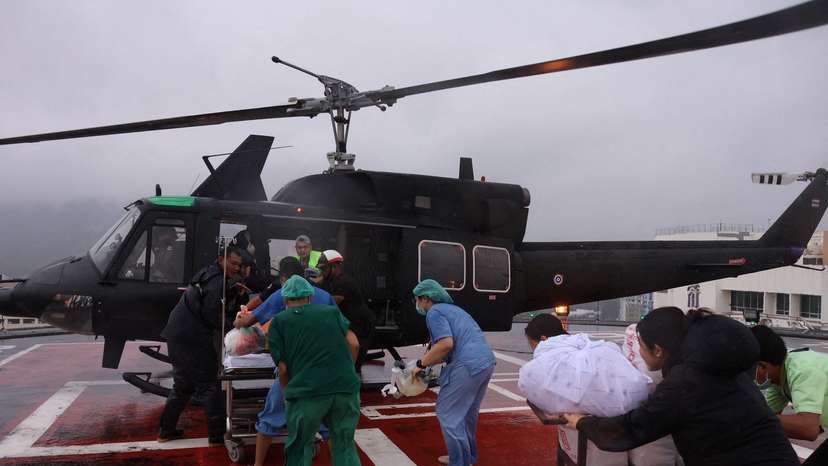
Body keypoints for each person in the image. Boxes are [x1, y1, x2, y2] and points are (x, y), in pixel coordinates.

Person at [562, 307, 799, 466]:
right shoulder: (720, 364)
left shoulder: (686, 382)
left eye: (642, 347)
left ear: (658, 350)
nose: (640, 354)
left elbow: (631, 430)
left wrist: (581, 421)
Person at [234, 256, 336, 466]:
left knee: (271, 417)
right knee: (327, 423)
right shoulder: (325, 297)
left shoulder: (282, 297)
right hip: (323, 372)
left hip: (293, 373)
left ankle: (258, 464)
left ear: (282, 279)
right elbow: (347, 339)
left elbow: (251, 323)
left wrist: (239, 318)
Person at [268, 276, 361, 466]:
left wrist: (287, 395)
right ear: (310, 297)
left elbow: (283, 369)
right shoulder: (331, 313)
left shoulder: (279, 321)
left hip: (307, 393)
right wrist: (346, 370)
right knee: (344, 445)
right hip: (345, 389)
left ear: (285, 301)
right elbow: (354, 343)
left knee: (300, 447)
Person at [157, 247, 243, 444]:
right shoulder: (216, 282)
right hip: (192, 337)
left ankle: (165, 431)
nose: (236, 268)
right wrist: (235, 325)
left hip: (177, 333)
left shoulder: (208, 272)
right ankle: (217, 436)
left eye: (239, 265)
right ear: (221, 259)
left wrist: (230, 293)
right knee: (210, 385)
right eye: (233, 263)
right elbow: (212, 316)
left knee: (183, 385)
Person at [410, 279, 496, 466]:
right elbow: (444, 350)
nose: (417, 304)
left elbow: (446, 344)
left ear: (425, 298)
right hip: (485, 362)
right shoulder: (455, 310)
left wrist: (420, 365)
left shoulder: (434, 313)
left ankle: (459, 461)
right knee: (467, 414)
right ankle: (468, 458)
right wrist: (427, 361)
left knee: (448, 413)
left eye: (417, 300)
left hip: (467, 364)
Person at [751, 325, 828, 465]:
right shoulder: (778, 379)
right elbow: (768, 418)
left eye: (749, 370)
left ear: (762, 365)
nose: (749, 377)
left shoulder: (802, 370)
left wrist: (750, 418)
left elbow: (809, 428)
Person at [317, 249, 375, 373]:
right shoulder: (330, 280)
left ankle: (355, 385)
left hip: (360, 324)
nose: (322, 271)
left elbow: (332, 301)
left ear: (334, 267)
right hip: (349, 322)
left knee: (354, 360)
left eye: (324, 268)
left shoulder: (344, 282)